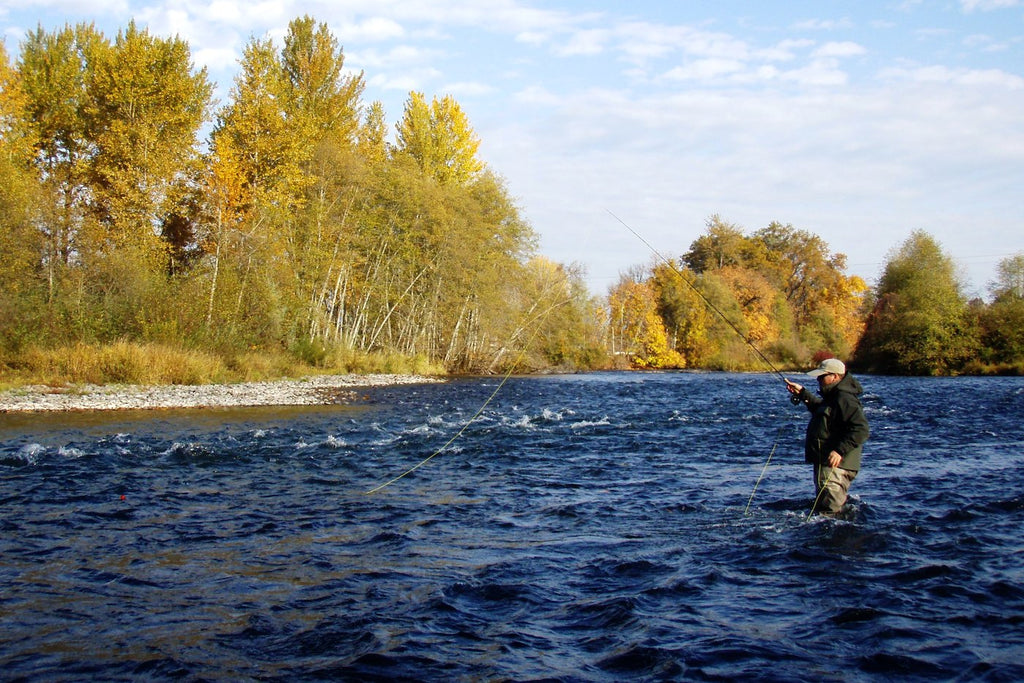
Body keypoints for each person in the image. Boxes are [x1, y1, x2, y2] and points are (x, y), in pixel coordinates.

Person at [785, 358, 870, 515]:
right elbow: (823, 411)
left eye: (822, 376)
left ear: (836, 376)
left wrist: (839, 450)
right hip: (827, 462)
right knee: (825, 510)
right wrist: (803, 394)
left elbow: (861, 428)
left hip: (837, 465)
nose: (818, 380)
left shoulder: (845, 398)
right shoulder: (834, 396)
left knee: (831, 514)